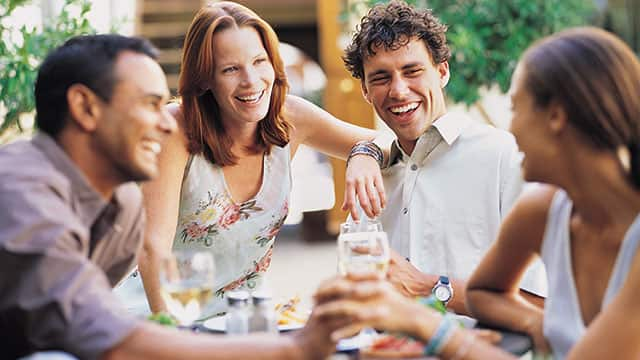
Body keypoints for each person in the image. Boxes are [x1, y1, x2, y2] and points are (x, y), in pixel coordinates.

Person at [0, 34, 348, 360]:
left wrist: (365, 152)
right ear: (85, 107)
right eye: (151, 105)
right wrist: (293, 350)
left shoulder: (118, 204)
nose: (166, 124)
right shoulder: (22, 191)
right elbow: (107, 338)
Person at [316, 27, 640, 360]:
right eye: (381, 78)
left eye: (515, 108)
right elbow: (488, 292)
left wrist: (424, 316)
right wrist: (536, 324)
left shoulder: (500, 155)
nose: (510, 127)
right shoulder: (543, 210)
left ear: (556, 117)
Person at [117, 0, 389, 319]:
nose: (251, 81)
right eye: (231, 69)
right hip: (154, 318)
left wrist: (362, 152)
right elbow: (153, 249)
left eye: (259, 61)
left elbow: (391, 145)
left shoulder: (292, 117)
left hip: (240, 322)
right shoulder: (173, 130)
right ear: (205, 78)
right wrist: (172, 340)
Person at [340, 0, 546, 314]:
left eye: (412, 71)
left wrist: (429, 288)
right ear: (366, 91)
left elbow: (541, 304)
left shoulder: (503, 157)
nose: (398, 91)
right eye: (381, 78)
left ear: (442, 71)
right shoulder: (370, 178)